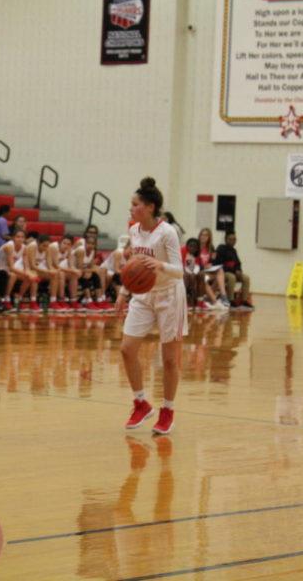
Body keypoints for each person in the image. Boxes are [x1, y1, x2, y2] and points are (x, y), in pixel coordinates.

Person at [121, 177, 187, 435]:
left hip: (170, 295)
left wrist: (160, 266)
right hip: (144, 295)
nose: (131, 208)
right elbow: (134, 263)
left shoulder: (167, 232)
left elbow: (180, 272)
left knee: (170, 360)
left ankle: (167, 410)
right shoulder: (134, 230)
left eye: (135, 204)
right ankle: (141, 402)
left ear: (149, 207)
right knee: (127, 350)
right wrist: (124, 290)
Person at [0, 229, 37, 311]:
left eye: (22, 237)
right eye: (18, 237)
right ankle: (6, 299)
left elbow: (26, 266)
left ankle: (19, 298)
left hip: (11, 268)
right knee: (13, 275)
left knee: (30, 277)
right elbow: (11, 267)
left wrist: (29, 273)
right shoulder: (9, 246)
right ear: (13, 238)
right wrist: (27, 273)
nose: (20, 239)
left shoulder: (24, 248)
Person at [215, 231, 253, 310]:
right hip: (223, 273)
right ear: (226, 239)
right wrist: (234, 271)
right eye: (230, 239)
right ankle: (230, 300)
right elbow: (219, 264)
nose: (232, 241)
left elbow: (238, 263)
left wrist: (239, 270)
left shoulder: (234, 251)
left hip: (233, 272)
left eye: (234, 239)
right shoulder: (221, 248)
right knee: (232, 277)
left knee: (246, 278)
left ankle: (244, 301)